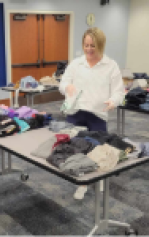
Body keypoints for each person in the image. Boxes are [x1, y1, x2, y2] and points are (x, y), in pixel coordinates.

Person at [59, 27, 124, 200]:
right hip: (76, 112)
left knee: (98, 148)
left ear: (101, 46)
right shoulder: (76, 64)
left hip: (98, 114)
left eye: (93, 46)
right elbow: (62, 83)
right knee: (77, 148)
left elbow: (119, 92)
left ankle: (98, 177)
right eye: (86, 45)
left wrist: (113, 101)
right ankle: (82, 182)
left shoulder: (111, 66)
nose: (89, 49)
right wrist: (67, 87)